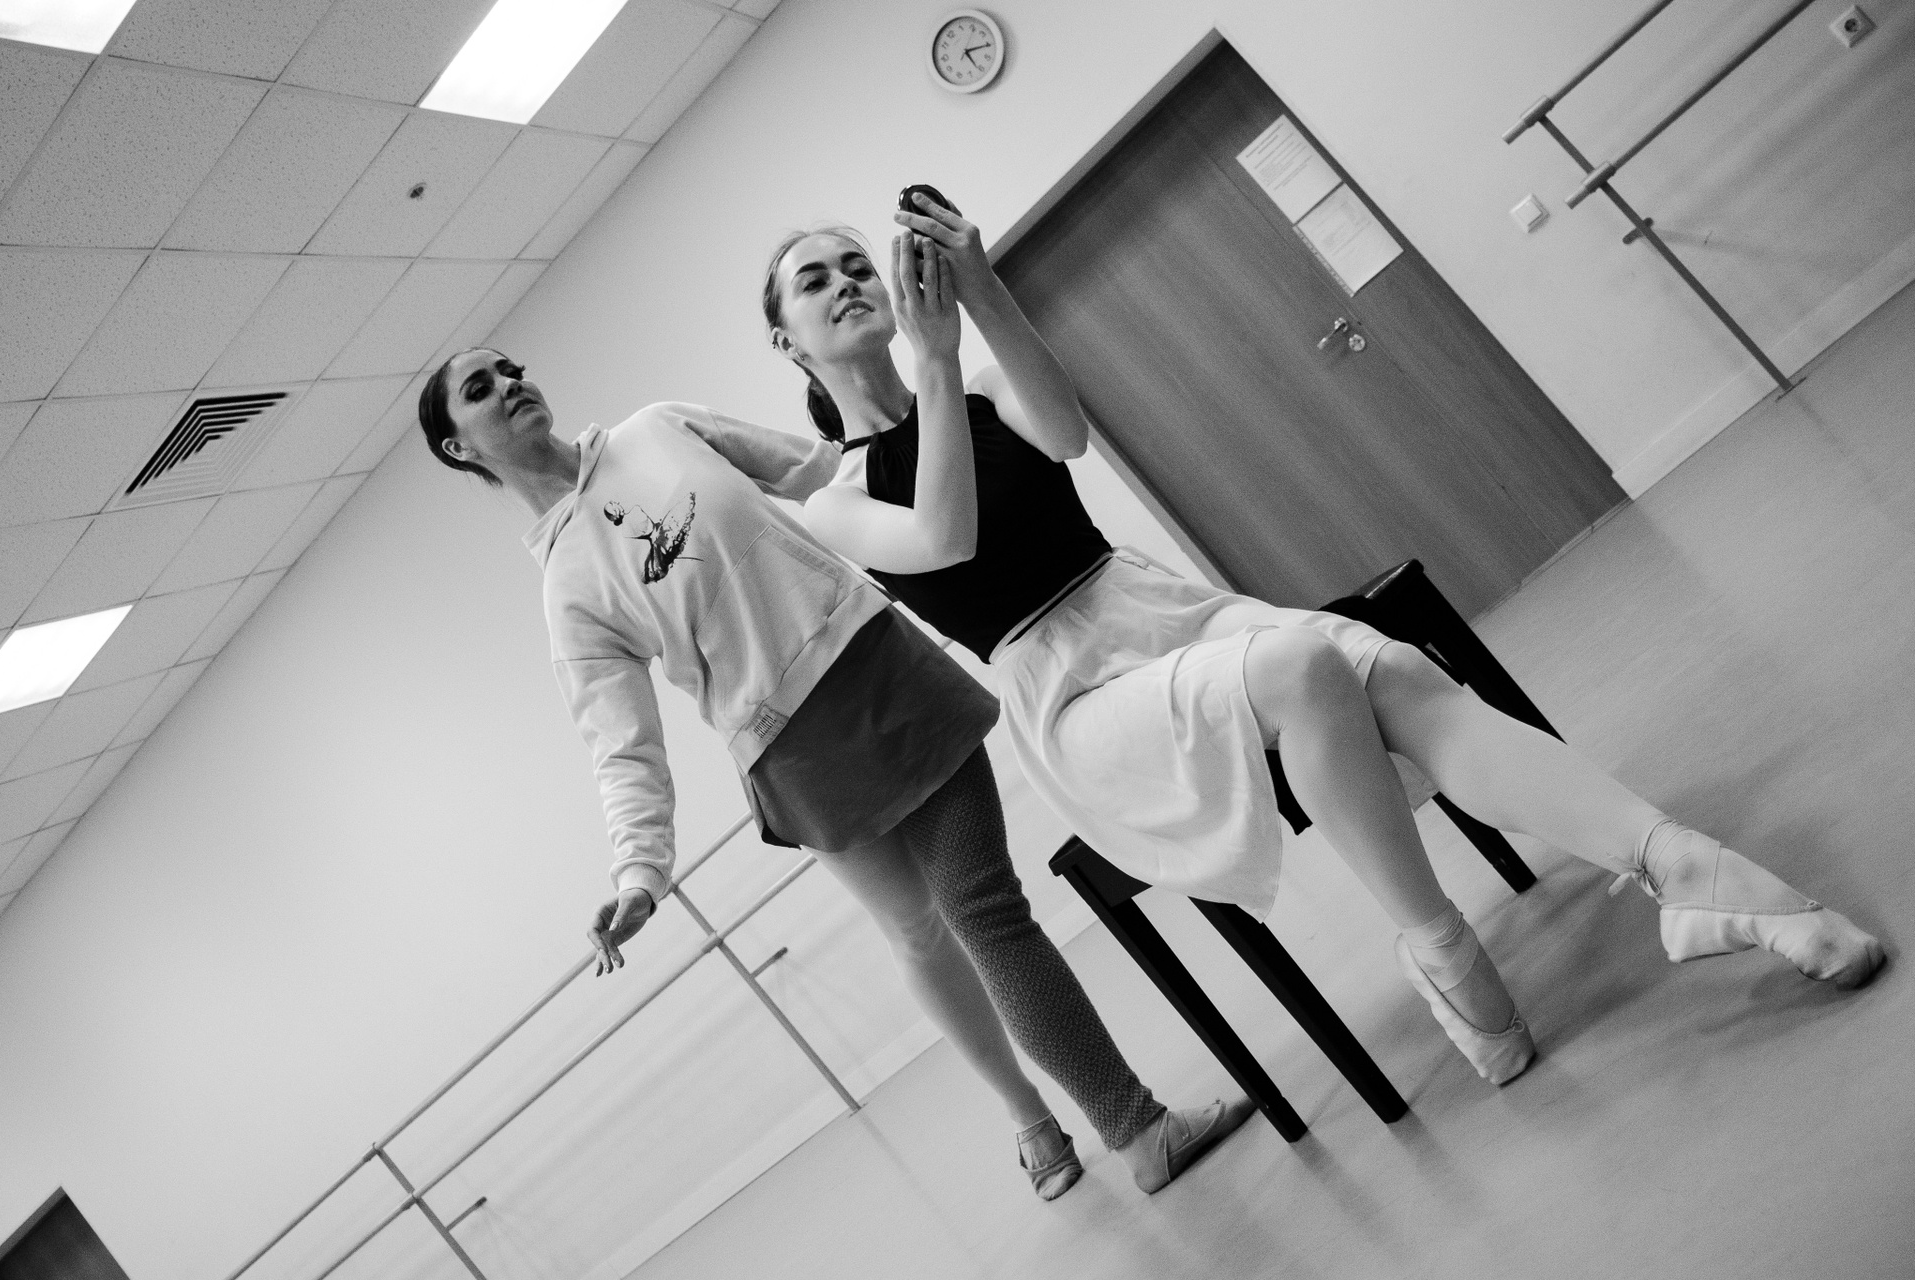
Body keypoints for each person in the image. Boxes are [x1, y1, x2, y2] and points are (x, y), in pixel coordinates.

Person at [762, 198, 1886, 1088]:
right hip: (1067, 691)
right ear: (787, 341)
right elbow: (945, 534)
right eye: (816, 281)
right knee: (1306, 662)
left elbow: (1063, 432)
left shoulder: (979, 385)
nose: (848, 282)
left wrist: (987, 295)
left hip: (1146, 604)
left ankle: (1678, 865)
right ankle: (1439, 941)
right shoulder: (833, 500)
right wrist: (931, 361)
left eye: (858, 263)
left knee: (1390, 665)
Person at [414, 341, 1254, 1198]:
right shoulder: (567, 591)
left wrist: (965, 499)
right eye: (481, 388)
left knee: (983, 909)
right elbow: (620, 742)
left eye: (512, 368)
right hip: (788, 749)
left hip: (877, 663)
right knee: (917, 933)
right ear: (458, 446)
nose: (511, 383)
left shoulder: (659, 430)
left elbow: (824, 473)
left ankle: (1135, 1129)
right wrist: (639, 871)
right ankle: (1029, 1118)